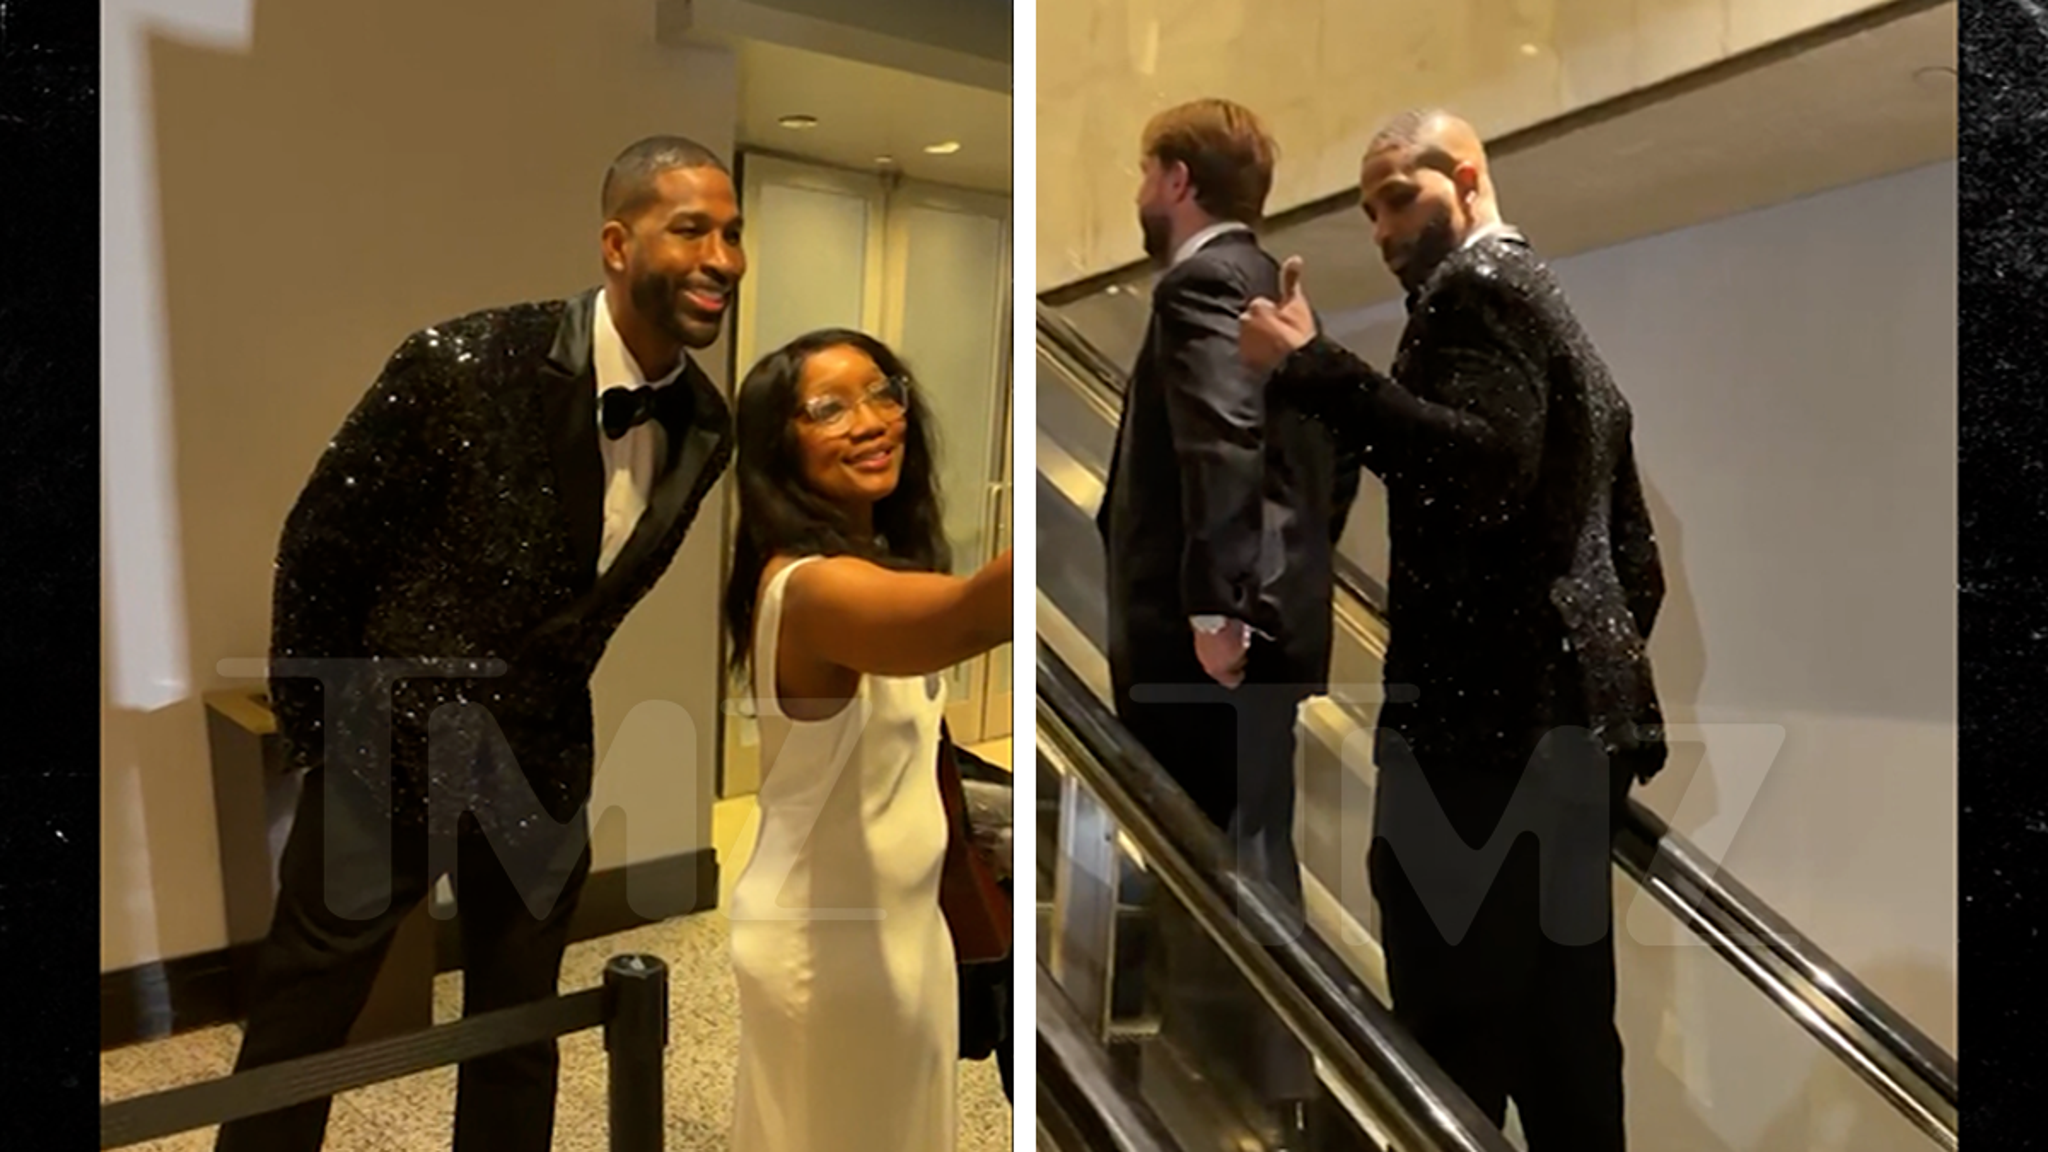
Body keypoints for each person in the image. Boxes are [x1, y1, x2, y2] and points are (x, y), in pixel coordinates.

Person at [217, 135, 745, 1152]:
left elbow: (587, 605)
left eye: (732, 233)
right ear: (616, 243)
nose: (721, 258)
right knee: (300, 1029)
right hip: (384, 756)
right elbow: (320, 546)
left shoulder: (706, 427)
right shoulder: (461, 362)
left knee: (518, 1038)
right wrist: (324, 737)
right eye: (691, 230)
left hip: (541, 767)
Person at [1240, 108, 1668, 1152]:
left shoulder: (1474, 292)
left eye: (1400, 197)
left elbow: (1482, 469)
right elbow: (1632, 558)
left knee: (1449, 1048)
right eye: (1369, 210)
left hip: (1480, 740)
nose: (1383, 229)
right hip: (1571, 735)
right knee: (1566, 1043)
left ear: (1467, 178)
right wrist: (1587, 677)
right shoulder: (1550, 305)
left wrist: (1312, 368)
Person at [1095, 97, 1362, 1151]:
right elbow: (1327, 462)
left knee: (1206, 873)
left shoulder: (1202, 283)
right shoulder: (1281, 297)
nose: (1138, 193)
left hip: (1203, 651)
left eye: (1143, 172)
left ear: (1174, 178)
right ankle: (1274, 1093)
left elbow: (1219, 439)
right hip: (1259, 645)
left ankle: (1223, 1097)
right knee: (1254, 858)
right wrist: (1285, 587)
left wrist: (1218, 609)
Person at [721, 329, 1014, 1152]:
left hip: (904, 928)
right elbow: (964, 619)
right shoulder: (813, 589)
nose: (871, 421)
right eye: (828, 408)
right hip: (828, 948)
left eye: (883, 392)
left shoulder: (874, 559)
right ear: (779, 445)